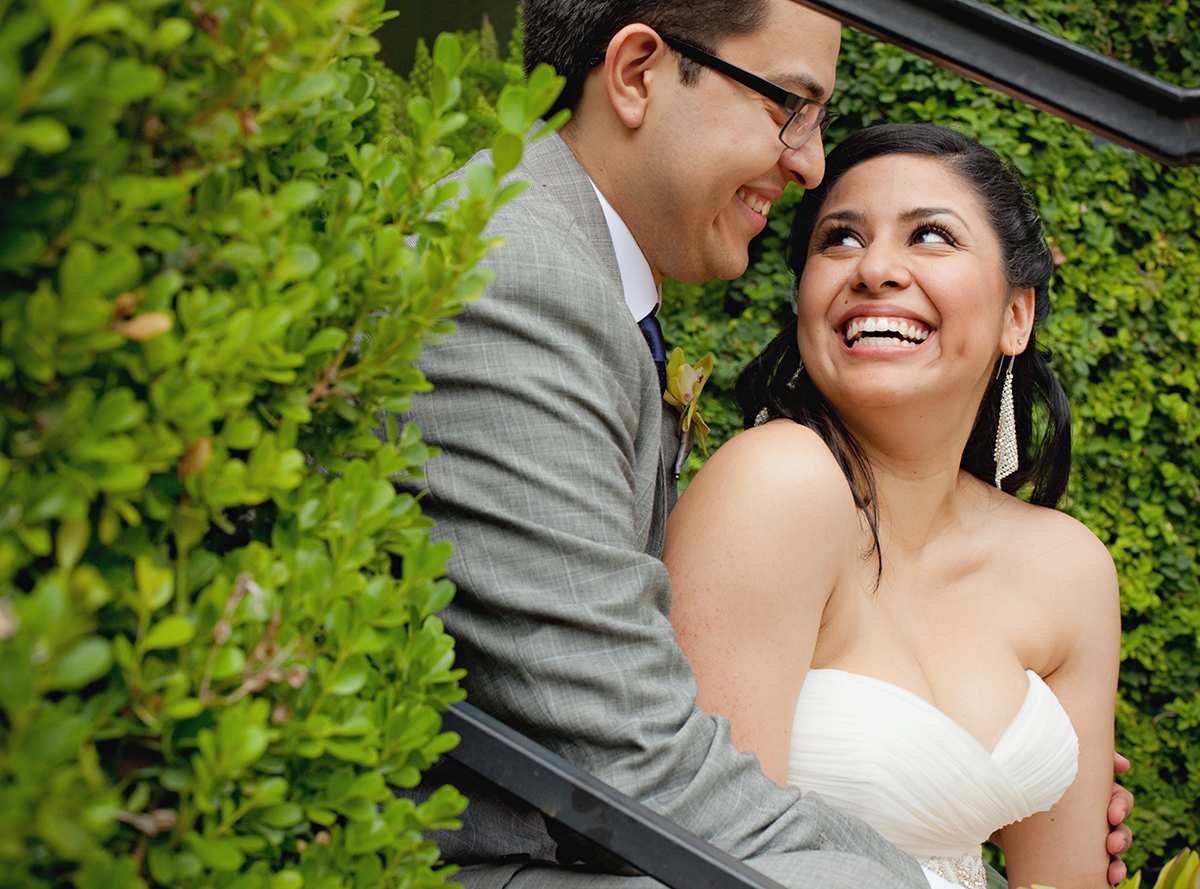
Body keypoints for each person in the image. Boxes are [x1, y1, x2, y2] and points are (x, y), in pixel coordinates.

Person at [396, 2, 1132, 886]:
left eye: (931, 235)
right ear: (636, 74)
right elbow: (637, 764)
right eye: (790, 105)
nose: (810, 161)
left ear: (1020, 311)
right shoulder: (526, 282)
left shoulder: (582, 281)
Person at [663, 123, 1121, 889]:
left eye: (932, 236)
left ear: (1018, 314)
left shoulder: (1068, 566)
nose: (874, 268)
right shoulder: (775, 485)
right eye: (839, 239)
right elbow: (705, 858)